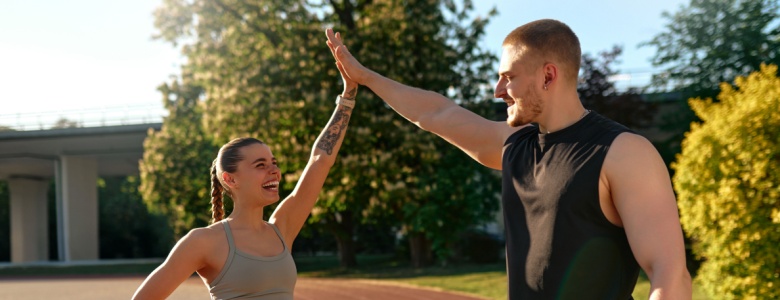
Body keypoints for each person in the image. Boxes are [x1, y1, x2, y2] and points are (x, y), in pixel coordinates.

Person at [325, 19, 691, 299]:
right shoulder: (515, 145)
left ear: (548, 76)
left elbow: (670, 275)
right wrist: (366, 78)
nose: (498, 90)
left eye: (508, 77)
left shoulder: (623, 152)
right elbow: (435, 113)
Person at [132, 33, 358, 300]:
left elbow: (320, 160)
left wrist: (349, 93)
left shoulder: (282, 228)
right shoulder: (204, 241)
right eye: (260, 164)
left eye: (273, 163)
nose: (274, 170)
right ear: (231, 179)